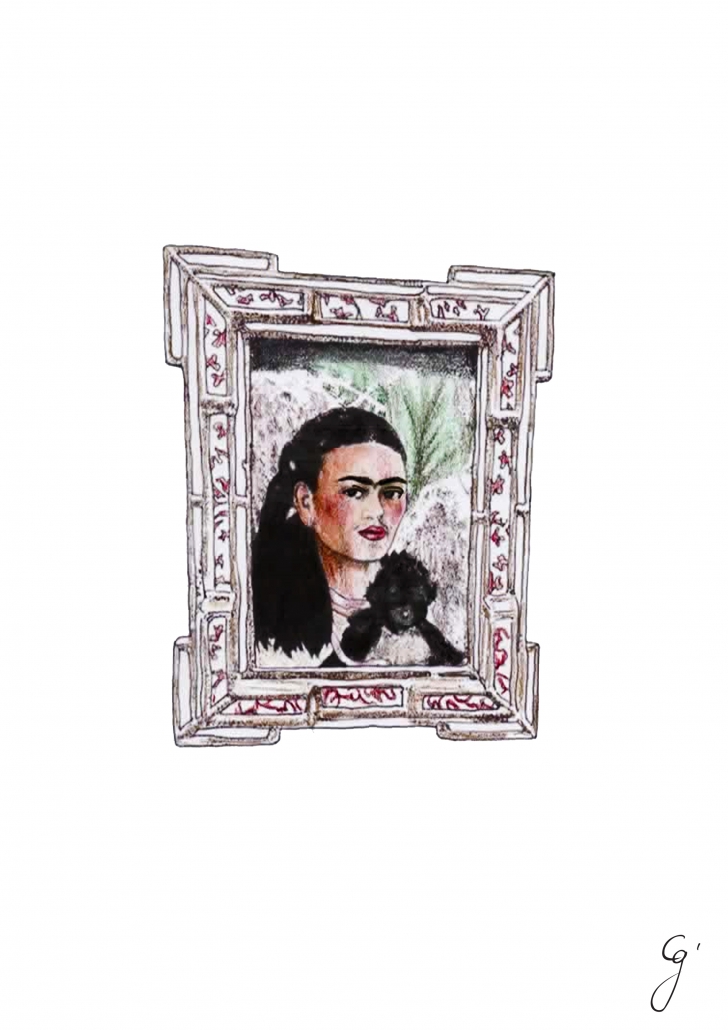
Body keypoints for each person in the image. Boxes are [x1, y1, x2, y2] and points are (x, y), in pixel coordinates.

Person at [252, 406, 409, 663]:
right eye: (354, 492)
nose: (377, 511)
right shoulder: (266, 613)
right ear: (306, 503)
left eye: (391, 493)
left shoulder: (414, 602)